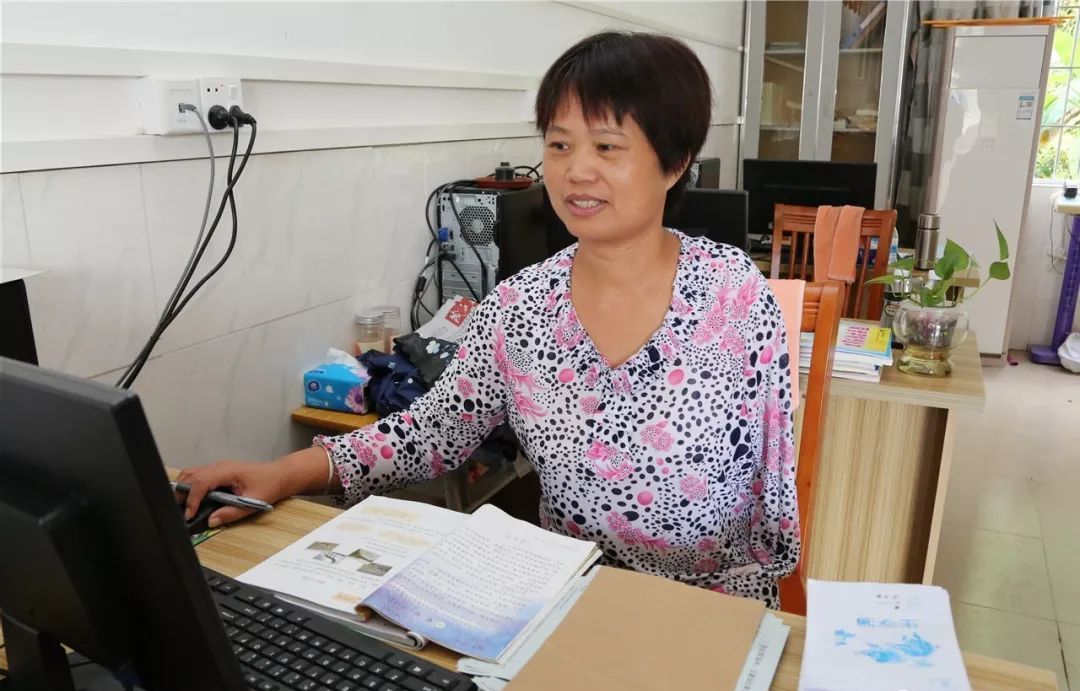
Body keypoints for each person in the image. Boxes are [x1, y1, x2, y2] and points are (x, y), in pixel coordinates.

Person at [177, 31, 799, 608]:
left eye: (607, 146)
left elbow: (775, 488)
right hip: (571, 595)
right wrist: (285, 471)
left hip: (711, 607)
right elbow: (433, 432)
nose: (576, 169)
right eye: (559, 144)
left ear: (675, 161)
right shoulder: (520, 307)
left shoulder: (734, 295)